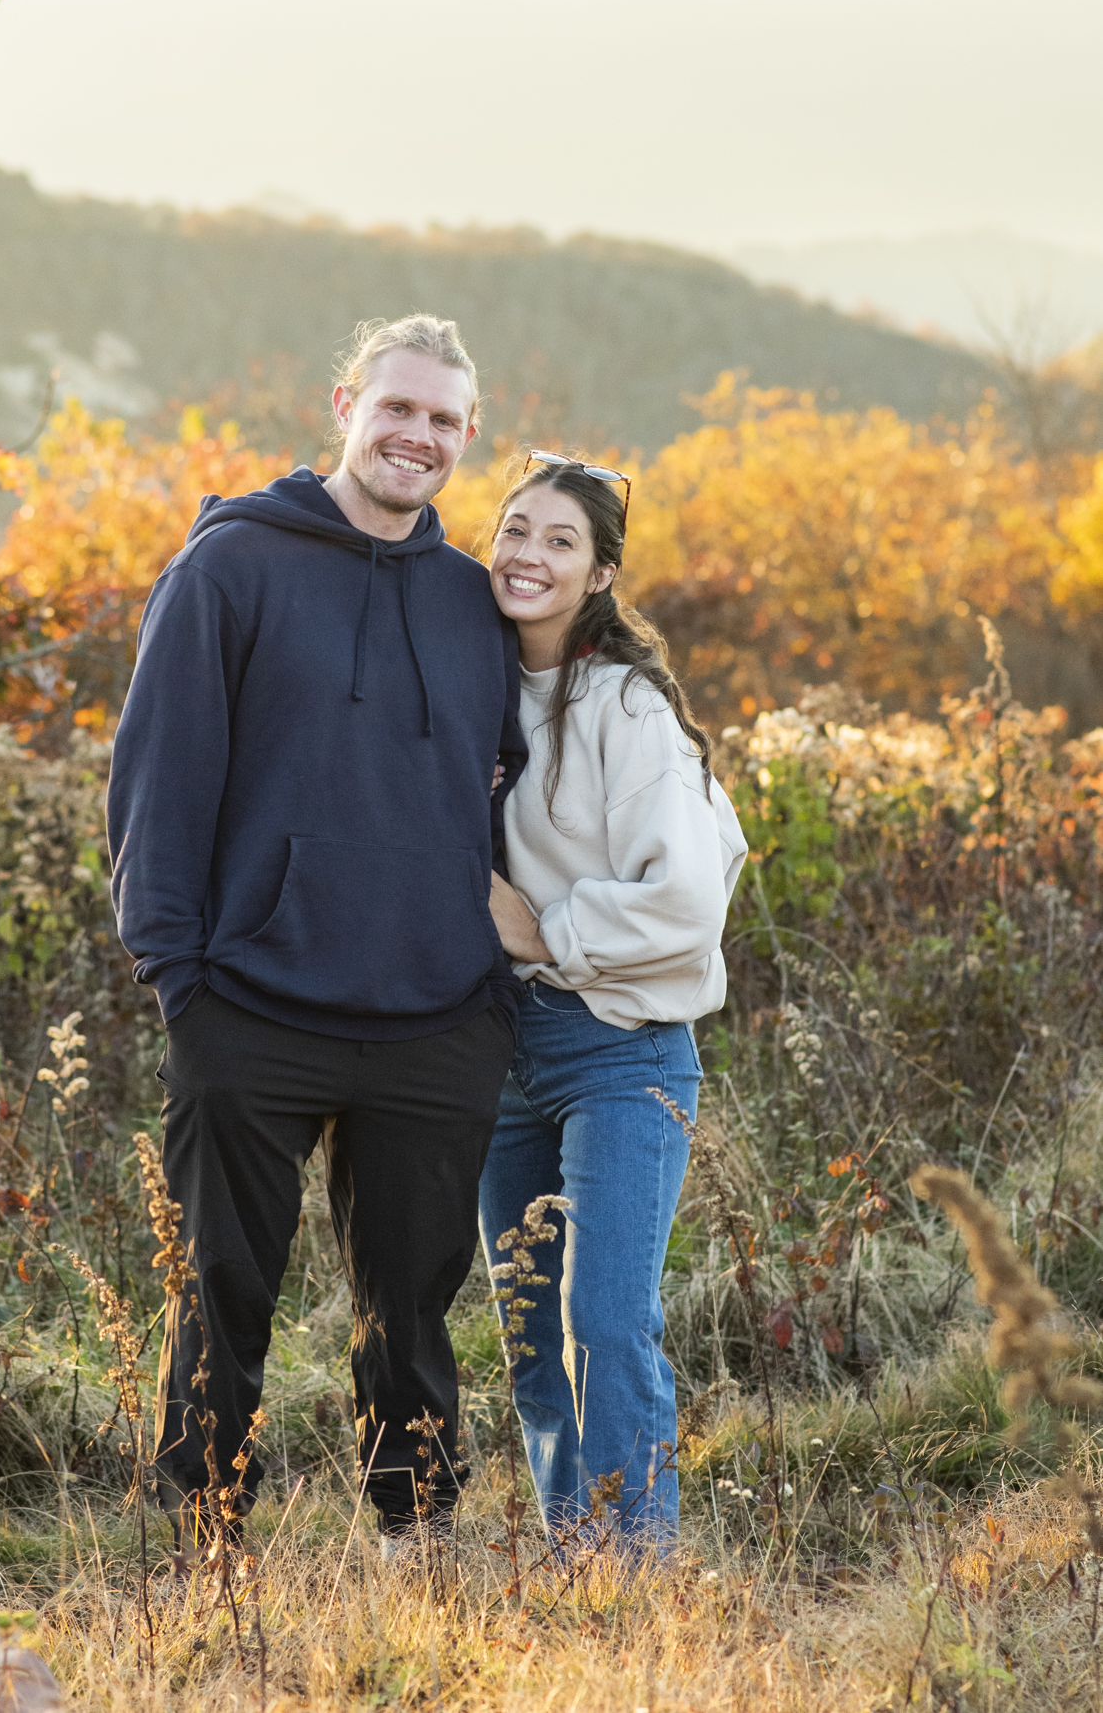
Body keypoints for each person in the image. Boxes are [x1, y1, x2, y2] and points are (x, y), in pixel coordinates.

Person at [107, 314, 525, 1546]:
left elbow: (510, 785)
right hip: (252, 1005)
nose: (418, 436)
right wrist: (181, 979)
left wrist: (496, 971)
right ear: (344, 403)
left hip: (438, 1013)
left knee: (413, 1306)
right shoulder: (229, 567)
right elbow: (157, 779)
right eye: (398, 407)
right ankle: (203, 1545)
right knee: (221, 1292)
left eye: (444, 419)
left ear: (465, 438)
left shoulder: (469, 602)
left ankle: (417, 1540)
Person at [479, 452, 747, 1544]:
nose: (527, 555)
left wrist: (549, 932)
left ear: (598, 574)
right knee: (530, 1329)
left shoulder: (624, 706)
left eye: (559, 541)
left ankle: (634, 1572)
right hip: (499, 1050)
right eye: (514, 529)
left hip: (622, 1048)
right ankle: (571, 1559)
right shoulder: (471, 685)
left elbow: (687, 895)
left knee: (605, 1319)